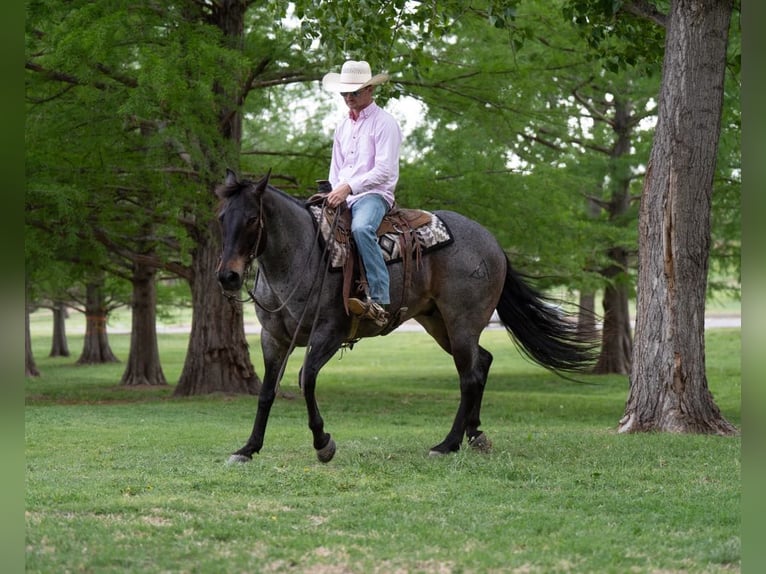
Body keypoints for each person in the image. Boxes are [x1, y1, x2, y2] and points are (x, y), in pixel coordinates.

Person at [321, 60, 403, 326]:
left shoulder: (385, 123)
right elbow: (336, 167)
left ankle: (379, 297)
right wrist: (335, 190)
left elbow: (385, 171)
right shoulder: (343, 126)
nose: (348, 97)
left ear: (369, 90)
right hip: (343, 194)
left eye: (354, 92)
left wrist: (349, 187)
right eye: (344, 92)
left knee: (361, 229)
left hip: (374, 195)